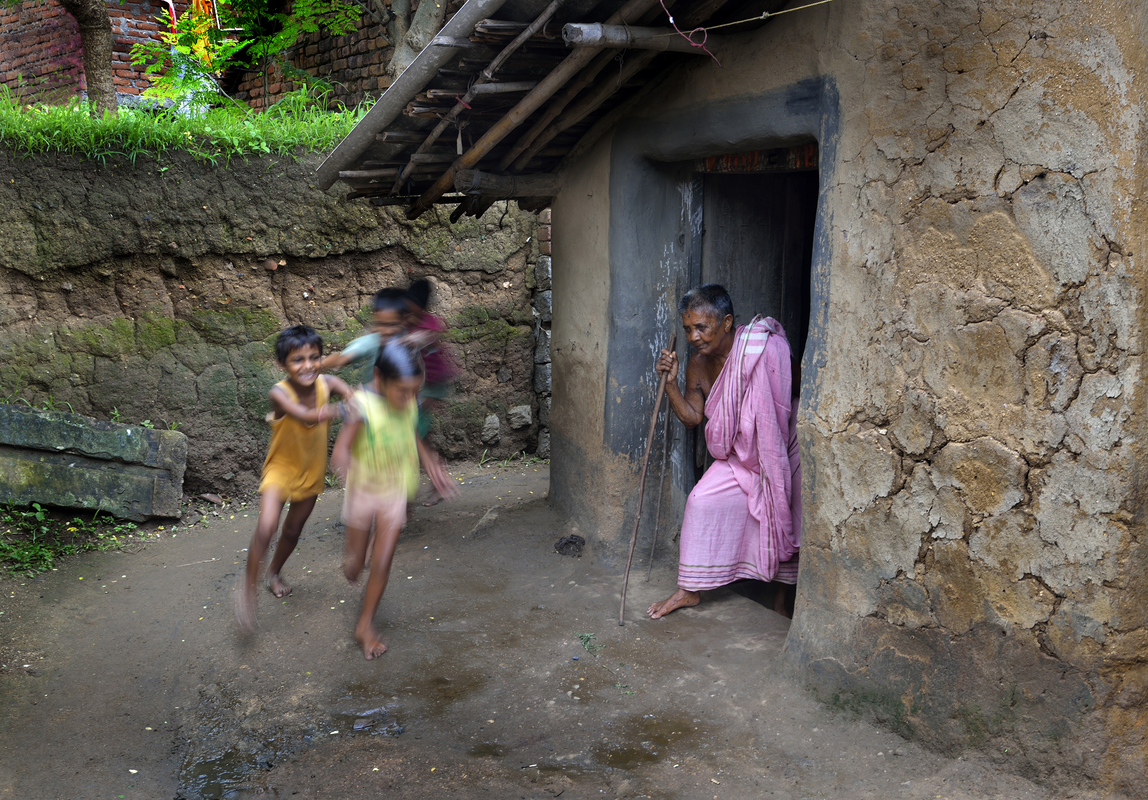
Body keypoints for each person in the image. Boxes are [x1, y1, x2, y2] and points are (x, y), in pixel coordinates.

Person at [647, 284, 801, 619]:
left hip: (779, 448)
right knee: (700, 501)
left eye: (701, 327)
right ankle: (689, 590)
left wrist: (769, 434)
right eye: (688, 329)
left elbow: (791, 390)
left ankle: (782, 597)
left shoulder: (764, 348)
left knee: (784, 506)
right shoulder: (698, 366)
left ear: (727, 322)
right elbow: (692, 418)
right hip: (737, 456)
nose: (693, 337)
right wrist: (671, 383)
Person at [330, 340, 458, 660]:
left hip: (394, 490)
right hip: (364, 490)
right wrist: (346, 469)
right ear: (379, 378)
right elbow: (340, 451)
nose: (410, 399)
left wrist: (429, 461)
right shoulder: (361, 404)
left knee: (383, 560)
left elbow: (411, 432)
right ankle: (355, 557)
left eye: (416, 391)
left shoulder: (409, 402)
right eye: (403, 392)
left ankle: (365, 625)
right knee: (354, 567)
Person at [236, 325, 353, 633]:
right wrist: (345, 408)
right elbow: (304, 415)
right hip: (280, 470)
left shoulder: (327, 383)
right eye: (298, 360)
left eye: (314, 357)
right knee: (267, 526)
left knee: (293, 530)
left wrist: (357, 397)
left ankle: (273, 573)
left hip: (310, 472)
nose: (308, 365)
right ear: (282, 365)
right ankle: (248, 591)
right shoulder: (279, 392)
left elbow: (347, 390)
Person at [320, 287, 409, 386]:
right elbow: (345, 358)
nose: (386, 331)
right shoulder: (373, 341)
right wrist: (320, 364)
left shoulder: (411, 340)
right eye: (381, 324)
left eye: (392, 325)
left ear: (405, 320)